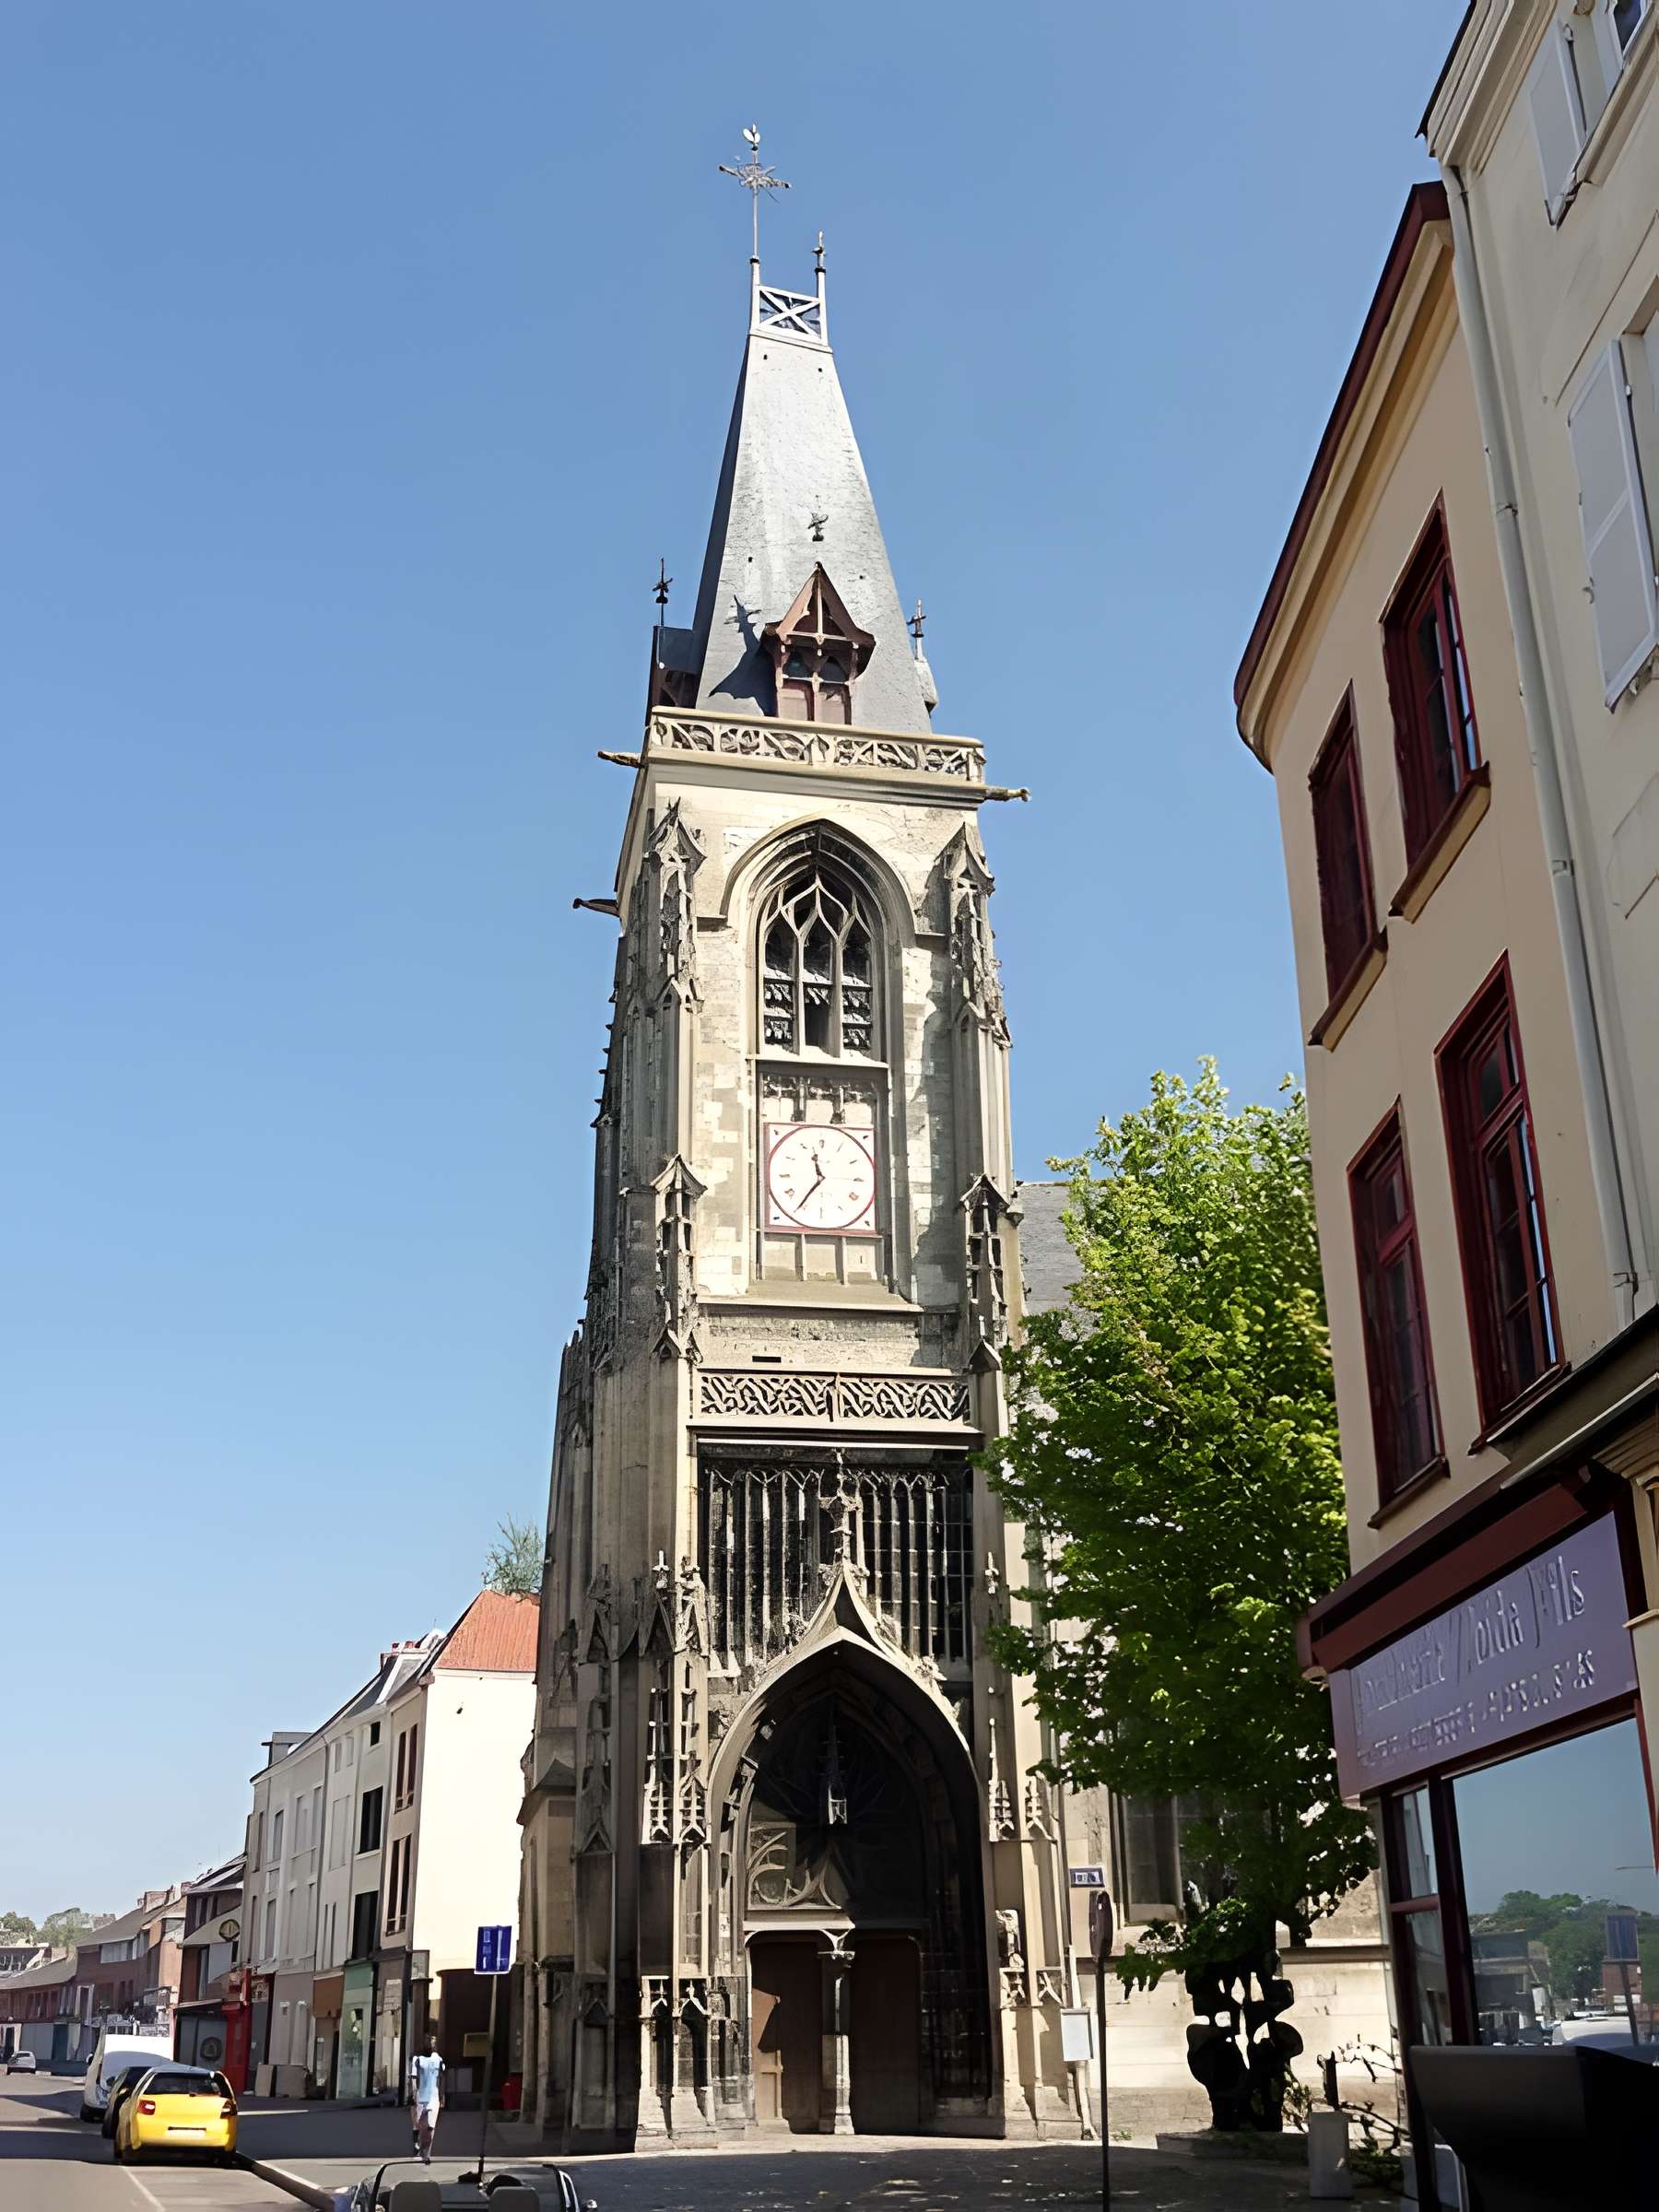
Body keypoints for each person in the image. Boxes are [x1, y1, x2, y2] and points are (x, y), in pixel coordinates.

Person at [408, 2034, 444, 2165]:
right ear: (424, 2042)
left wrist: (442, 2096)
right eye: (428, 2040)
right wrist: (412, 2094)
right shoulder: (418, 2059)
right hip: (420, 2096)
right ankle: (417, 2146)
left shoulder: (439, 2060)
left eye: (433, 2040)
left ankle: (427, 2153)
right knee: (418, 2124)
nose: (430, 2043)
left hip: (433, 2097)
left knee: (430, 2126)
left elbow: (441, 2078)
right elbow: (413, 2078)